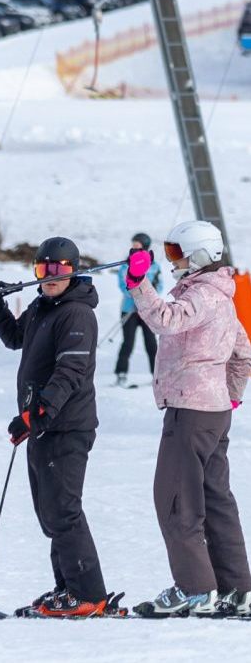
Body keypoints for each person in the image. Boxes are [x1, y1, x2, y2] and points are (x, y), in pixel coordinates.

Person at [0, 237, 110, 617]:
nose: (49, 277)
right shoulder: (43, 306)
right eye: (42, 270)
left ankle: (87, 593)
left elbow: (71, 372)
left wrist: (37, 414)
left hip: (66, 426)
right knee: (50, 513)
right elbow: (15, 338)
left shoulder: (77, 314)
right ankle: (68, 587)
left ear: (74, 272)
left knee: (63, 511)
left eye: (59, 270)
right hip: (45, 425)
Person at [126, 221, 251, 618]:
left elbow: (165, 319)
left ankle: (196, 589)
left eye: (177, 253)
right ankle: (236, 588)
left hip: (191, 411)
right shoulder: (222, 297)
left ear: (198, 255)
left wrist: (137, 283)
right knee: (215, 499)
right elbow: (243, 353)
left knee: (177, 499)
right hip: (212, 413)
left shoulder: (201, 297)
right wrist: (229, 397)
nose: (172, 260)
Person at [114, 232, 162, 387]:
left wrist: (147, 296)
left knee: (151, 342)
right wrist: (135, 296)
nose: (134, 248)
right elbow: (123, 285)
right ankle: (121, 373)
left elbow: (159, 286)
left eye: (137, 245)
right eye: (133, 245)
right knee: (128, 342)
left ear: (145, 246)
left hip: (147, 310)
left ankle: (156, 375)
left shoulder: (154, 266)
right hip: (129, 310)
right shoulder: (125, 265)